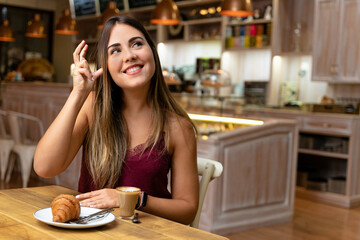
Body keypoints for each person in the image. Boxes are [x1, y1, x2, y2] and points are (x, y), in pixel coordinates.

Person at [34, 16, 199, 225]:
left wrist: (133, 198)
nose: (129, 55)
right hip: (91, 233)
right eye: (115, 50)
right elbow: (45, 168)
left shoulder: (178, 127)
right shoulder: (93, 107)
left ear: (152, 52)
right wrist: (78, 94)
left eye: (137, 44)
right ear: (106, 66)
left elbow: (187, 210)